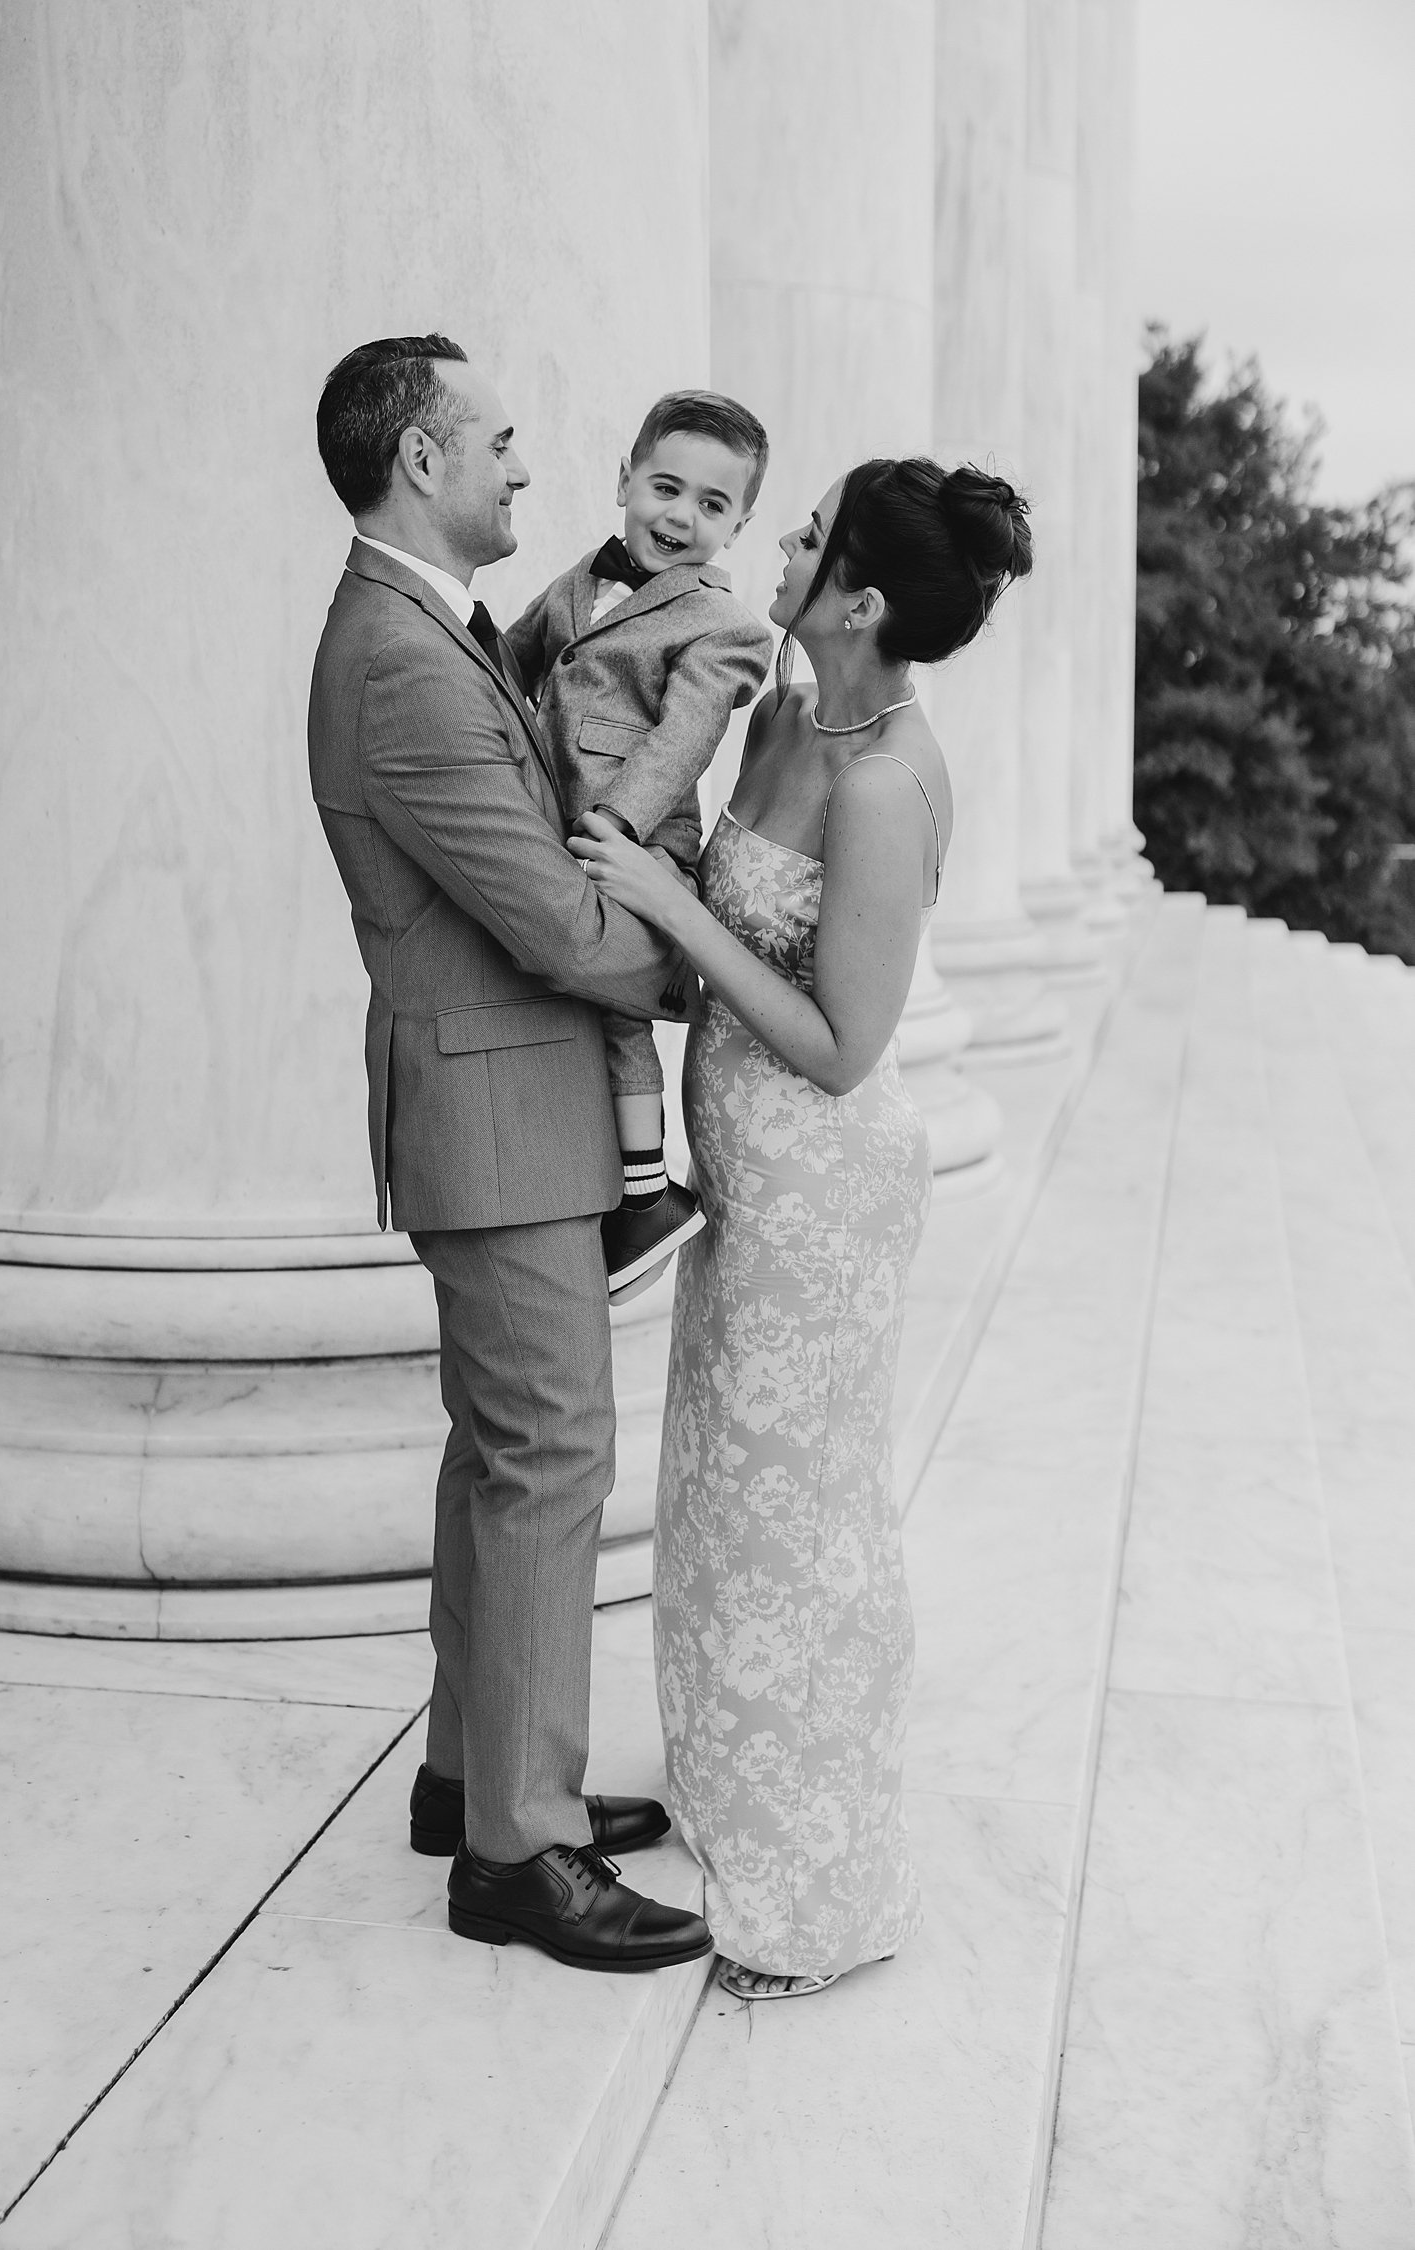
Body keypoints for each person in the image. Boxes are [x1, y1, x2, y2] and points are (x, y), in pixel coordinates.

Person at [568, 458, 1033, 1998]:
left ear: (864, 596)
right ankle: (726, 1786)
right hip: (743, 1188)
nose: (780, 546)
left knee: (803, 1529)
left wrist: (676, 908)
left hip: (824, 1200)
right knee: (715, 1501)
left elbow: (841, 1045)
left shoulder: (887, 782)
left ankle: (823, 1893)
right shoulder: (780, 709)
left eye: (810, 533)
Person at [308, 333, 713, 1976]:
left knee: (497, 1458)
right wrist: (705, 961)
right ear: (423, 458)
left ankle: (473, 1777)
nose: (525, 468)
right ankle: (522, 1858)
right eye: (501, 440)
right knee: (551, 1461)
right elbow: (553, 918)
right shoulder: (400, 656)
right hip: (496, 1111)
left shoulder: (431, 624)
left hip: (499, 1103)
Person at [506, 391, 774, 1300]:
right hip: (550, 820)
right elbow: (515, 660)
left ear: (738, 524)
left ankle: (647, 1192)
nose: (681, 517)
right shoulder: (583, 579)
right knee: (562, 994)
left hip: (638, 843)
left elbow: (683, 737)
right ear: (626, 479)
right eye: (667, 488)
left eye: (712, 506)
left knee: (618, 1000)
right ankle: (583, 1165)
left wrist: (618, 823)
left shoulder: (725, 625)